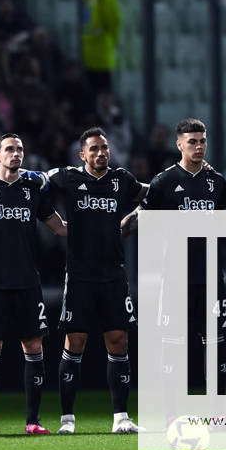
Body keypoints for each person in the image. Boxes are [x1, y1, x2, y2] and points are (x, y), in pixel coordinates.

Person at [0, 133, 67, 435]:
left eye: (19, 149)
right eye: (9, 149)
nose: (16, 153)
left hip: (27, 281)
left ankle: (33, 421)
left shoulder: (33, 188)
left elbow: (57, 227)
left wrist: (97, 229)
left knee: (33, 345)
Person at [47, 127, 146, 434]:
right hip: (79, 275)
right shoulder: (68, 178)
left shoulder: (121, 180)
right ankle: (67, 420)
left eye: (104, 148)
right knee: (75, 342)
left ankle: (121, 418)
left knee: (118, 341)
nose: (101, 153)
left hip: (114, 275)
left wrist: (134, 216)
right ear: (82, 154)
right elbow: (35, 186)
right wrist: (57, 225)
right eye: (94, 149)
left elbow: (154, 193)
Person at [133, 119, 226, 394]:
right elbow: (142, 219)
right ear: (179, 145)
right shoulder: (164, 182)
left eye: (202, 141)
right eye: (193, 141)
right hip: (176, 276)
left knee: (215, 342)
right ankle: (174, 410)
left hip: (211, 275)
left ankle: (219, 411)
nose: (199, 146)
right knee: (175, 344)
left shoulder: (217, 182)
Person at [79, 0, 120, 93]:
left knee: (103, 92)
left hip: (101, 54)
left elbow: (113, 21)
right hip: (87, 53)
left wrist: (114, 43)